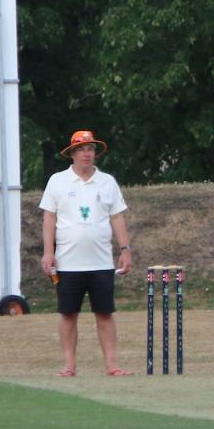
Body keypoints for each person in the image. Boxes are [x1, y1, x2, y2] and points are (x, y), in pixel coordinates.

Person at [40, 130, 134, 377]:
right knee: (68, 314)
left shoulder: (107, 182)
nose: (86, 154)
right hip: (68, 263)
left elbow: (117, 216)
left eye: (90, 149)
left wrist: (125, 249)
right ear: (72, 153)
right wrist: (48, 252)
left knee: (104, 313)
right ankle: (69, 365)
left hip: (100, 261)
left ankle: (112, 365)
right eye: (81, 149)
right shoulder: (57, 181)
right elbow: (49, 218)